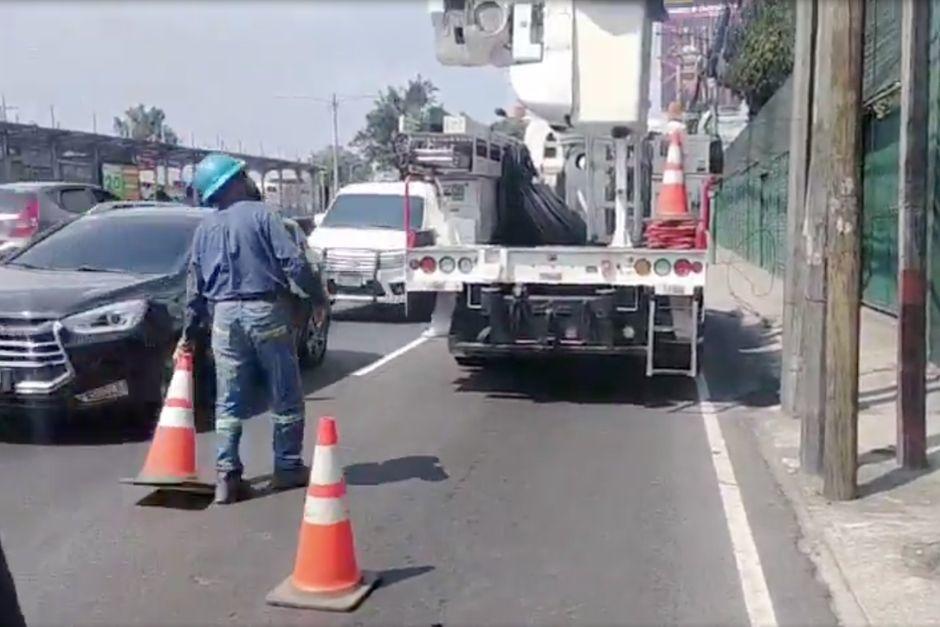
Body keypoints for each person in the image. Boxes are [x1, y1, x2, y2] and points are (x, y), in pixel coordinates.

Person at [179, 153, 327, 504]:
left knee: (228, 399)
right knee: (285, 392)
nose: (250, 180)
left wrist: (187, 336)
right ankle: (287, 467)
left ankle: (227, 477)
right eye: (243, 176)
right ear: (233, 183)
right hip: (265, 310)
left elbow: (194, 289)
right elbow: (294, 262)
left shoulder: (205, 229)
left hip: (224, 317)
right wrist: (317, 298)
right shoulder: (264, 216)